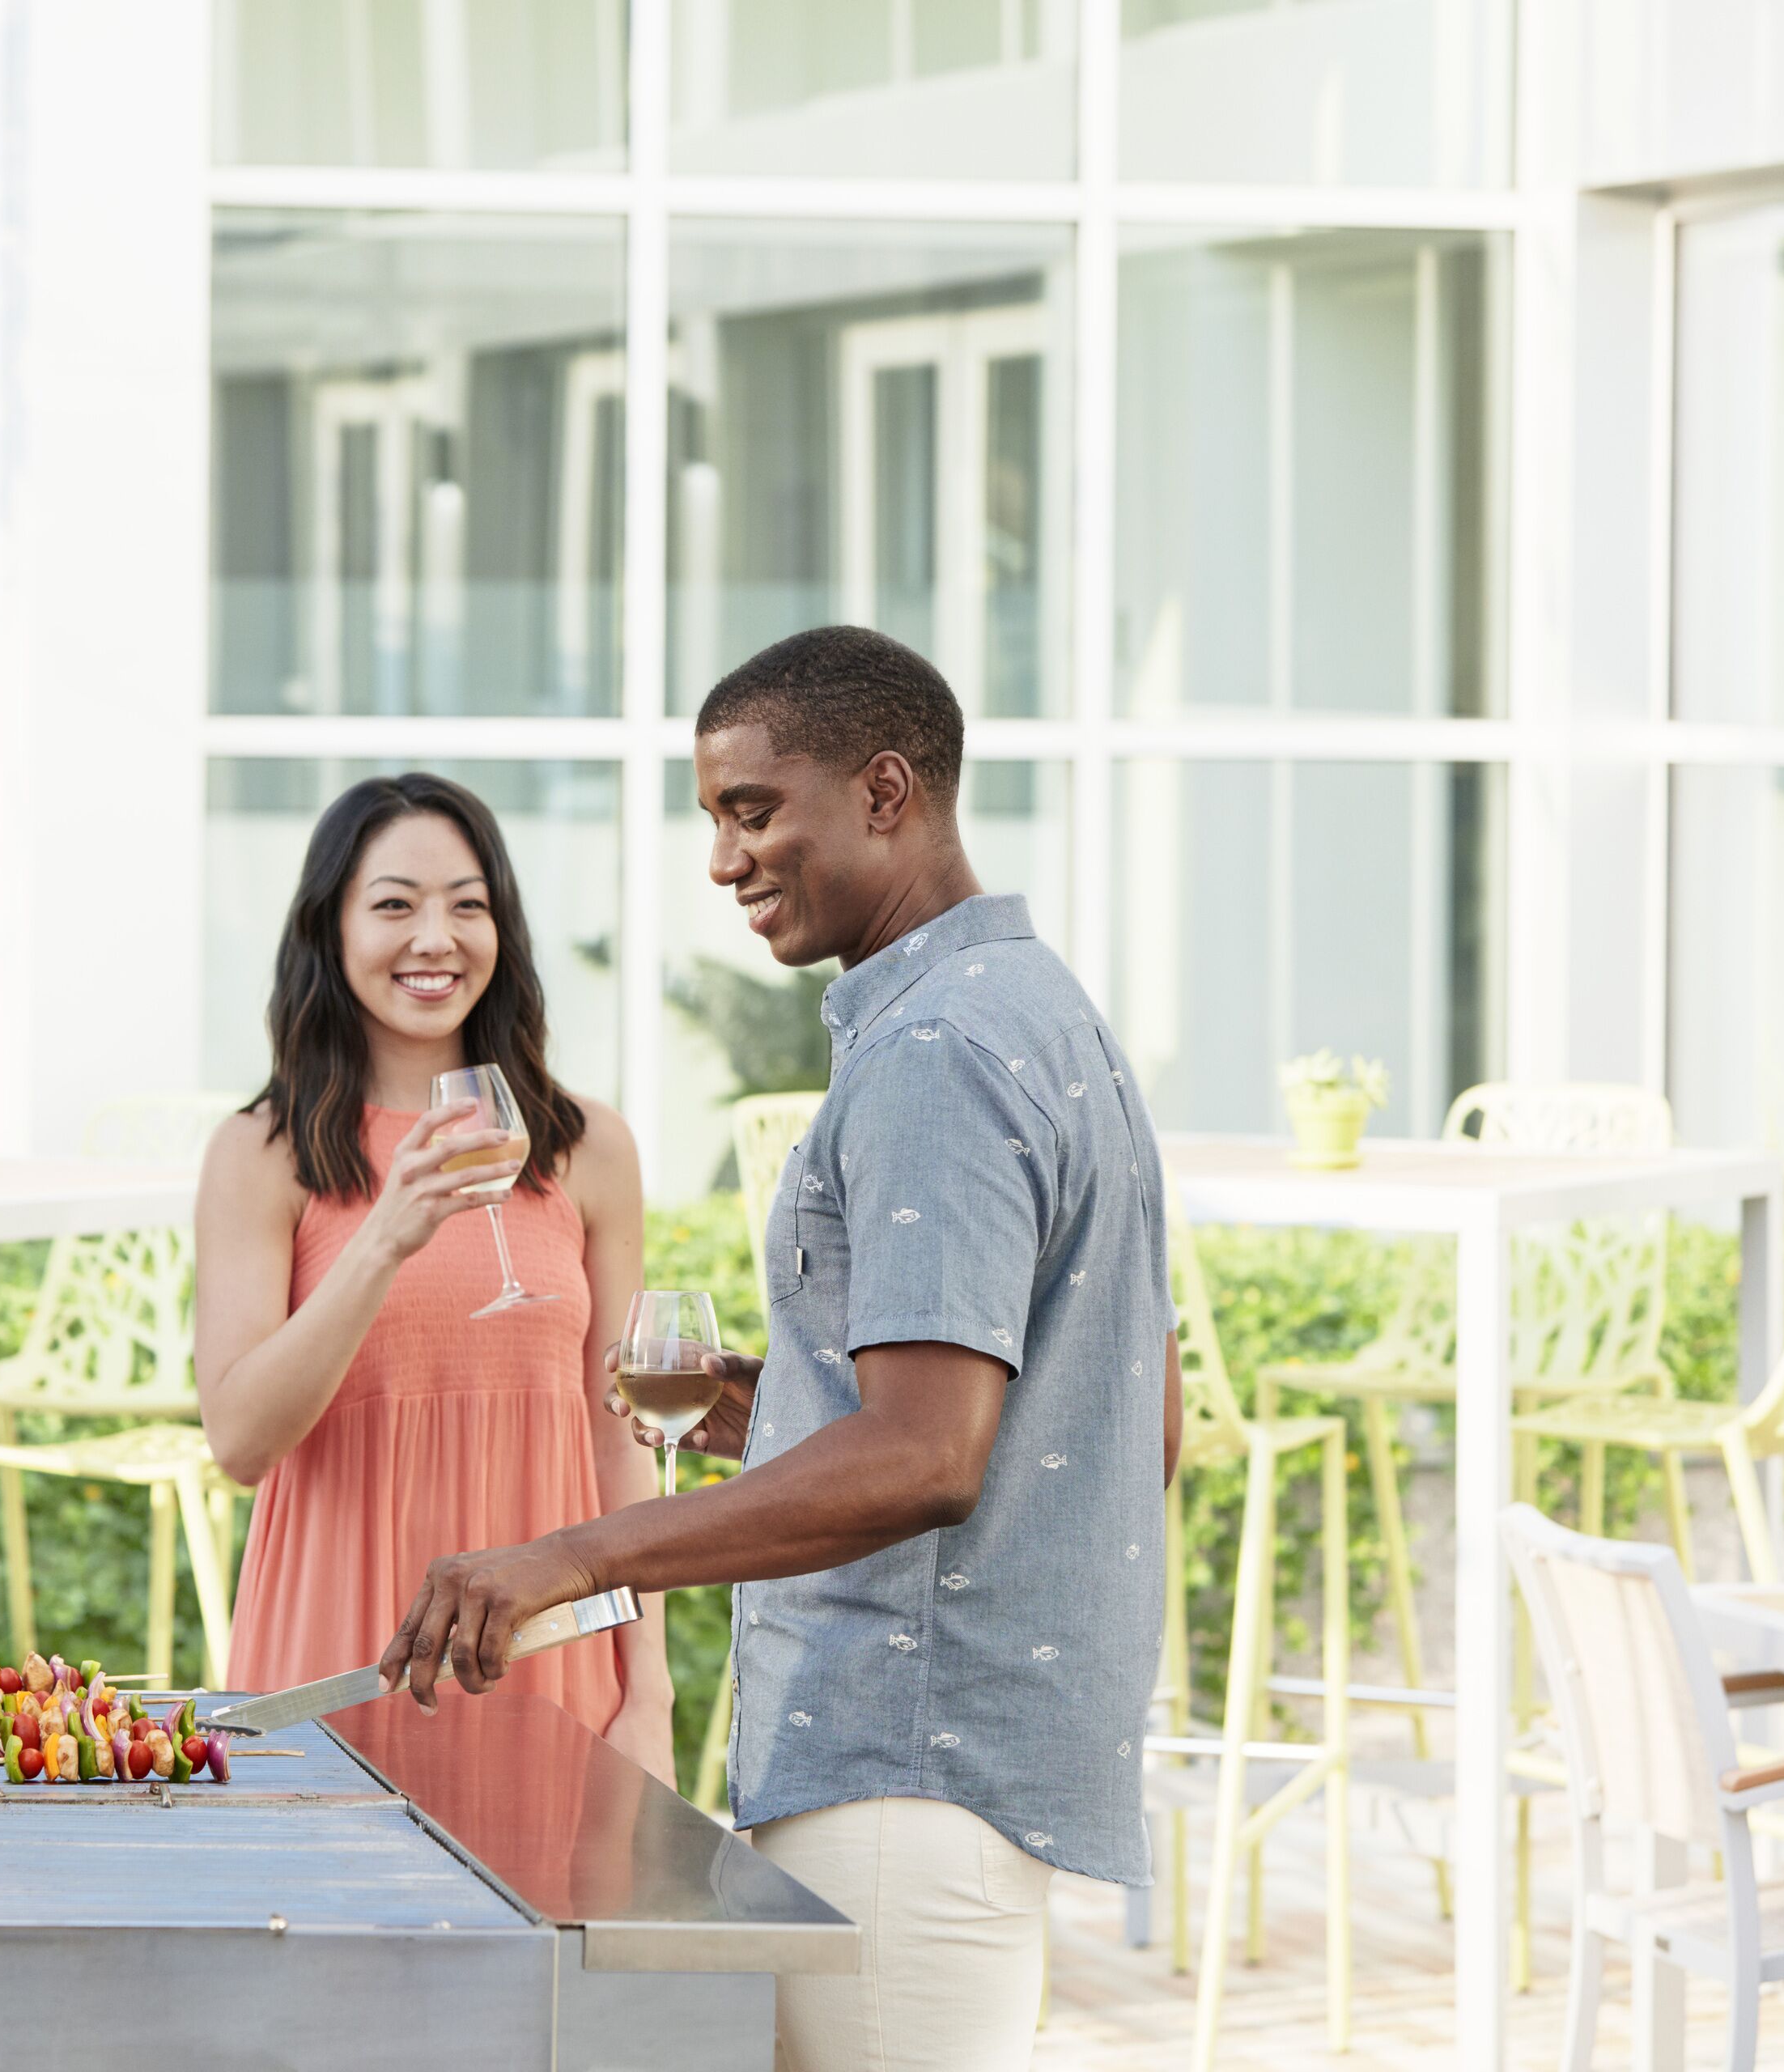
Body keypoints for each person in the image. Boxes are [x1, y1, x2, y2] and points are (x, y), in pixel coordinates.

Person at [380, 627, 1184, 2071]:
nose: (723, 859)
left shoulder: (938, 1054)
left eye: (754, 810)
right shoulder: (1045, 1014)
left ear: (886, 793)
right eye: (714, 819)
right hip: (958, 1781)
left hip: (898, 1770)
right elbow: (1131, 1420)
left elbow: (931, 1455)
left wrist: (574, 1556)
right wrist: (799, 1407)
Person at [196, 771, 674, 1781]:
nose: (435, 937)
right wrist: (384, 1237)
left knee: (549, 1934)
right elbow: (240, 1441)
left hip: (549, 1659)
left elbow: (618, 1437)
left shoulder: (591, 1149)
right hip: (337, 1658)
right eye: (394, 905)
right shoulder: (260, 1153)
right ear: (329, 930)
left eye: (468, 904)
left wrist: (650, 1693)